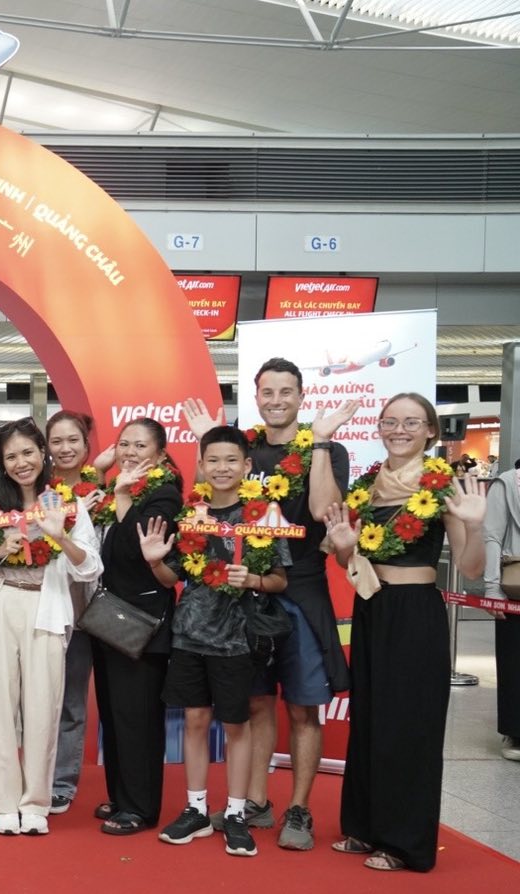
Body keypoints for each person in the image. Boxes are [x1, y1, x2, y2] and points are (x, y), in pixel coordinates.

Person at [184, 358, 353, 850]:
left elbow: (322, 510)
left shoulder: (327, 447)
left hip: (300, 590)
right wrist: (207, 441)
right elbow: (205, 504)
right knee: (256, 702)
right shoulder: (244, 449)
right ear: (255, 397)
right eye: (267, 392)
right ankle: (256, 801)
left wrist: (320, 442)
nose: (276, 400)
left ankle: (299, 809)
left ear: (301, 396)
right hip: (244, 595)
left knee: (302, 708)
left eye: (286, 392)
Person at [323, 393, 486, 872]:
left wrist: (475, 527)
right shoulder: (370, 486)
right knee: (370, 718)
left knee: (408, 724)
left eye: (412, 422)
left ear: (431, 430)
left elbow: (471, 568)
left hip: (415, 613)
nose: (399, 430)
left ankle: (403, 842)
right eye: (390, 421)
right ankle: (363, 827)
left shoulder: (443, 487)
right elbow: (351, 561)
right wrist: (344, 547)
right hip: (371, 606)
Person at [0, 418, 102, 835]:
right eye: (12, 456)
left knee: (43, 707)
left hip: (47, 606)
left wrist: (61, 538)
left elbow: (91, 567)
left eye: (28, 453)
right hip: (2, 602)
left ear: (43, 454)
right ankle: (3, 802)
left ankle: (36, 802)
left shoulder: (67, 505)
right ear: (2, 463)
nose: (21, 463)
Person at [148, 426, 290, 858]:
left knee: (236, 725)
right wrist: (154, 561)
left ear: (246, 465)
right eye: (213, 460)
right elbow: (171, 578)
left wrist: (255, 580)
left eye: (231, 460)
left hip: (237, 639)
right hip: (190, 633)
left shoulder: (263, 515)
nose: (222, 468)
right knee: (194, 719)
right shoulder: (190, 514)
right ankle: (195, 809)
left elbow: (280, 580)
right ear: (202, 465)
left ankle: (235, 813)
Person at [91, 416, 183, 836]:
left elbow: (135, 549)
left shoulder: (164, 494)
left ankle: (140, 807)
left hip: (142, 622)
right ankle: (121, 796)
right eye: (123, 444)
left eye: (140, 446)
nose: (129, 452)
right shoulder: (120, 486)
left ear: (160, 454)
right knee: (115, 715)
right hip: (111, 618)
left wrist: (123, 494)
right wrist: (110, 482)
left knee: (138, 718)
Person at [45, 410, 110, 814]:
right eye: (57, 441)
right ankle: (30, 773)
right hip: (41, 609)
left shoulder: (105, 493)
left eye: (73, 440)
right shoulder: (36, 489)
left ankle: (62, 783)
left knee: (71, 702)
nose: (65, 448)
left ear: (86, 446)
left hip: (84, 612)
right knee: (34, 701)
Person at [483, 459, 520, 762]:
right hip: (516, 583)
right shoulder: (508, 482)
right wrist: (492, 587)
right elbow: (492, 535)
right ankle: (515, 729)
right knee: (514, 658)